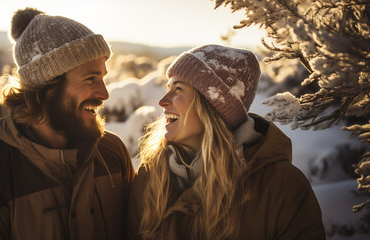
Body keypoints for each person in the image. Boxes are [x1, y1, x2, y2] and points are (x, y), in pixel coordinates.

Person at [0, 7, 135, 240]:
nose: (104, 93)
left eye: (103, 78)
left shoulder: (111, 153)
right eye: (90, 79)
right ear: (47, 86)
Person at [127, 45, 326, 239]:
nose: (162, 101)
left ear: (212, 105)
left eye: (178, 89)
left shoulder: (282, 188)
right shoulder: (150, 176)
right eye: (168, 87)